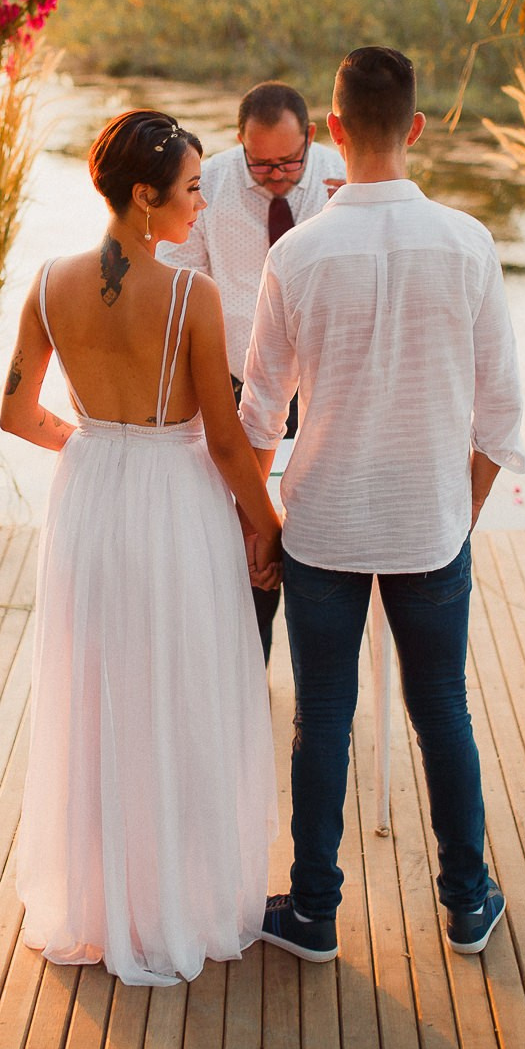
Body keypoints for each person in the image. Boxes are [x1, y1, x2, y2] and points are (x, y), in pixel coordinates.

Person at [240, 47, 525, 963]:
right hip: (429, 523)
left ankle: (315, 913)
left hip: (322, 522)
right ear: (416, 126)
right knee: (443, 707)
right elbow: (502, 418)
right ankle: (468, 901)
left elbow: (257, 416)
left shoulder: (296, 252)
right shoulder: (471, 243)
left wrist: (263, 526)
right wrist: (457, 513)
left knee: (321, 710)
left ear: (330, 134)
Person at [0, 108, 282, 986]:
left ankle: (99, 901)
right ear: (145, 195)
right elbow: (229, 442)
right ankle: (176, 901)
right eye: (192, 189)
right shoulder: (190, 297)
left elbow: (14, 412)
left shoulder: (47, 282)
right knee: (180, 688)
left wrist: (86, 445)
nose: (201, 205)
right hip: (174, 502)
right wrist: (266, 530)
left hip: (93, 499)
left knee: (99, 692)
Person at [159, 81, 346, 663]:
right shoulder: (208, 185)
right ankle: (247, 671)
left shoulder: (346, 180)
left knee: (318, 529)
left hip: (324, 388)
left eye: (289, 161)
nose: (275, 174)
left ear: (311, 138)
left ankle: (319, 677)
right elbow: (178, 284)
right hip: (236, 384)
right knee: (241, 535)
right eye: (259, 162)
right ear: (239, 143)